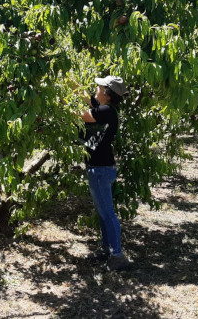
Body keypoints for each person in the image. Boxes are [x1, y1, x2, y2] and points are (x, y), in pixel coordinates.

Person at [78, 75, 130, 271]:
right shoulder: (105, 108)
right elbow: (89, 100)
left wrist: (62, 101)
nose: (96, 88)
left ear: (107, 94)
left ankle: (117, 255)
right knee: (103, 213)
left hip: (100, 169)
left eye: (99, 87)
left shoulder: (107, 111)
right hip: (100, 167)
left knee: (108, 213)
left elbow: (84, 114)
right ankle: (107, 249)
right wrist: (71, 85)